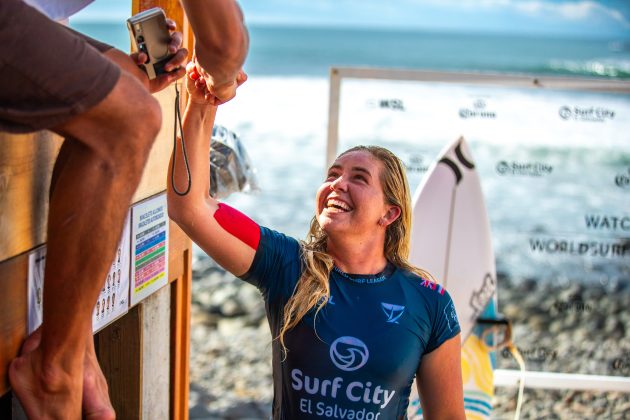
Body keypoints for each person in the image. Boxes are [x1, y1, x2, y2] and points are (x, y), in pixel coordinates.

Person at [167, 65, 466, 419]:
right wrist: (202, 104)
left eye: (358, 178)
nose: (338, 184)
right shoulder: (286, 265)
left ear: (389, 214)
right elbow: (191, 207)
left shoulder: (429, 302)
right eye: (333, 175)